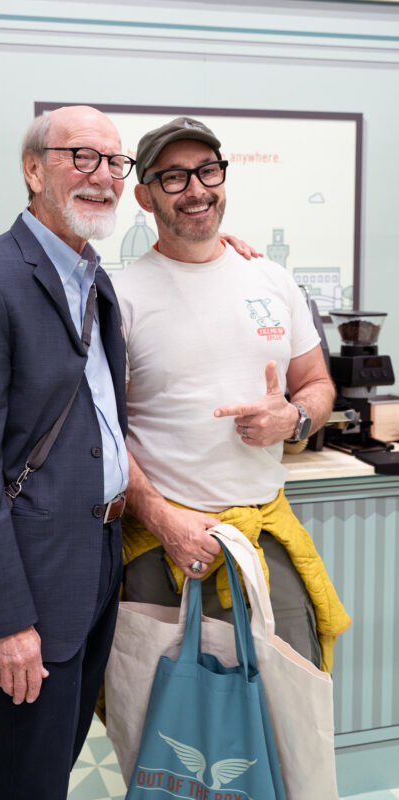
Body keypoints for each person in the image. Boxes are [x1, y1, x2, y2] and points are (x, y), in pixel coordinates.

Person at [0, 105, 132, 800]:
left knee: (62, 751)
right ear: (34, 170)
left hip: (102, 554)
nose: (102, 176)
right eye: (82, 156)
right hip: (36, 576)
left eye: (114, 161)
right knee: (29, 775)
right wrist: (7, 620)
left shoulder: (95, 278)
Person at [112, 116, 351, 673]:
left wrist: (294, 418)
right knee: (162, 708)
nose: (196, 189)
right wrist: (164, 521)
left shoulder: (272, 279)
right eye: (174, 177)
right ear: (145, 197)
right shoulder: (119, 297)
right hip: (163, 543)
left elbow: (317, 385)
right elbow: (101, 432)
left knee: (290, 696)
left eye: (207, 171)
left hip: (263, 533)